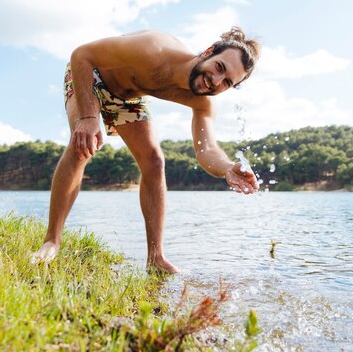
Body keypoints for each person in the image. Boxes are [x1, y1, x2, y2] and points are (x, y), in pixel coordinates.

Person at [31, 27, 261, 273]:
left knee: (154, 161)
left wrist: (227, 168)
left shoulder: (202, 101)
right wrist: (88, 117)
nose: (215, 81)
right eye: (219, 67)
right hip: (91, 75)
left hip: (128, 97)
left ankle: (156, 258)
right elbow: (81, 55)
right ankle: (51, 241)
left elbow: (207, 150)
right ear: (208, 52)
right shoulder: (153, 49)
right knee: (83, 146)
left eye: (226, 82)